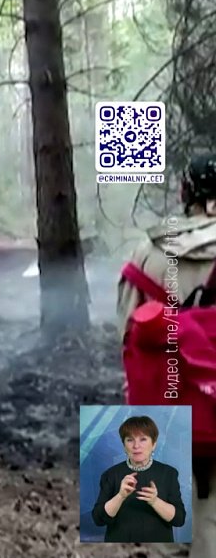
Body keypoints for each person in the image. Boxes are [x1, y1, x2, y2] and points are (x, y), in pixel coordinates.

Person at [117, 153, 216, 556]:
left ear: (185, 191)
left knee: (158, 528)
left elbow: (127, 331)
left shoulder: (149, 248)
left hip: (160, 401)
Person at [91, 415, 187, 542]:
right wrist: (120, 496)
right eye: (130, 440)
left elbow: (179, 520)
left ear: (154, 444)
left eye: (143, 439)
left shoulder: (169, 473)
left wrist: (154, 501)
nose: (136, 446)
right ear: (124, 445)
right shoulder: (110, 475)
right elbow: (98, 520)